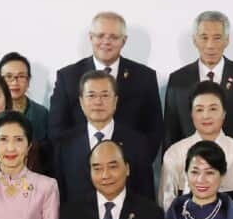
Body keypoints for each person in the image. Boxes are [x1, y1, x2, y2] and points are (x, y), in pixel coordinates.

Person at [164, 11, 233, 187]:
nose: (210, 45)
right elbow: (171, 134)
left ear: (227, 40)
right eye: (204, 37)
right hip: (190, 179)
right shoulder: (178, 79)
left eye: (217, 38)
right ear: (194, 40)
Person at [48, 11, 163, 146]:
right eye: (100, 36)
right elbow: (56, 130)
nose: (106, 42)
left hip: (130, 162)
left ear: (124, 41)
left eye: (113, 37)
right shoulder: (68, 77)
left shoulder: (144, 77)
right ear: (91, 38)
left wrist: (135, 160)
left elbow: (154, 130)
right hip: (79, 162)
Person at [53, 70, 154, 204]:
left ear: (115, 101)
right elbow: (60, 195)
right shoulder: (65, 144)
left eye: (105, 95)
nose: (98, 102)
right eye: (91, 96)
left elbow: (146, 196)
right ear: (81, 102)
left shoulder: (137, 143)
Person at [159, 80, 233, 216]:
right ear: (191, 114)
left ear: (224, 113)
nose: (206, 116)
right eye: (199, 109)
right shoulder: (174, 153)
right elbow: (166, 198)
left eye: (213, 109)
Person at [0, 52, 50, 144]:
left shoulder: (41, 113)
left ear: (28, 80)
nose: (15, 82)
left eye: (21, 76)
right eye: (9, 77)